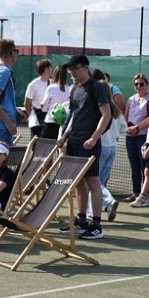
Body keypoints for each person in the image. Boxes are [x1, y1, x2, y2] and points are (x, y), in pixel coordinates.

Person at [57, 54, 111, 240]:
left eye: (76, 68)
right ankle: (81, 221)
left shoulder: (96, 87)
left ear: (86, 67)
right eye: (70, 69)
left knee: (93, 181)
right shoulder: (74, 89)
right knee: (79, 182)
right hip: (74, 142)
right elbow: (73, 116)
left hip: (89, 143)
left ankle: (96, 225)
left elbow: (106, 115)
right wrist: (64, 136)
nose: (72, 71)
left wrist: (94, 138)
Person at [93, 71, 125, 222]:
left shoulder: (98, 110)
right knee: (99, 182)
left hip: (101, 148)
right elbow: (124, 128)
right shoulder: (116, 110)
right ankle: (102, 206)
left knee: (93, 182)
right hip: (112, 148)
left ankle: (107, 202)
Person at [0, 38, 23, 147]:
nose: (17, 54)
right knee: (1, 158)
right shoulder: (4, 72)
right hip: (0, 129)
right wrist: (8, 122)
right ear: (11, 53)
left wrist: (14, 111)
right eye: (16, 51)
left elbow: (0, 99)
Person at [124, 73, 149, 202]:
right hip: (130, 137)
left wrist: (137, 128)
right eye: (136, 84)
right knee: (134, 166)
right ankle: (135, 193)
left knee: (144, 166)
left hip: (144, 137)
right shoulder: (130, 99)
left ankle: (146, 194)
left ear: (147, 85)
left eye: (141, 84)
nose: (139, 86)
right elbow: (125, 117)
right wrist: (127, 128)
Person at [39, 64, 70, 140]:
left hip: (50, 120)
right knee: (60, 145)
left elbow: (43, 105)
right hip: (63, 123)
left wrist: (42, 106)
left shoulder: (51, 88)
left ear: (55, 75)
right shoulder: (69, 89)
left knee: (44, 144)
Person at [24, 58, 52, 138]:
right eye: (50, 67)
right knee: (36, 144)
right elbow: (27, 103)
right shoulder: (33, 84)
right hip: (36, 122)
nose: (52, 69)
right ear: (46, 69)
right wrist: (31, 116)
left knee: (49, 143)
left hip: (48, 120)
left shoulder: (52, 83)